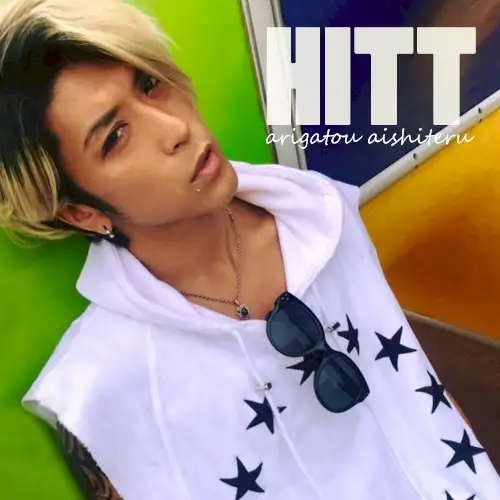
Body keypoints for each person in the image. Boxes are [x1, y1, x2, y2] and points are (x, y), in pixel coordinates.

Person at [0, 0, 498, 499]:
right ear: (80, 213)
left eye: (150, 83)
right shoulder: (99, 391)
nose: (176, 128)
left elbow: (419, 395)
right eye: (116, 136)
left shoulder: (319, 213)